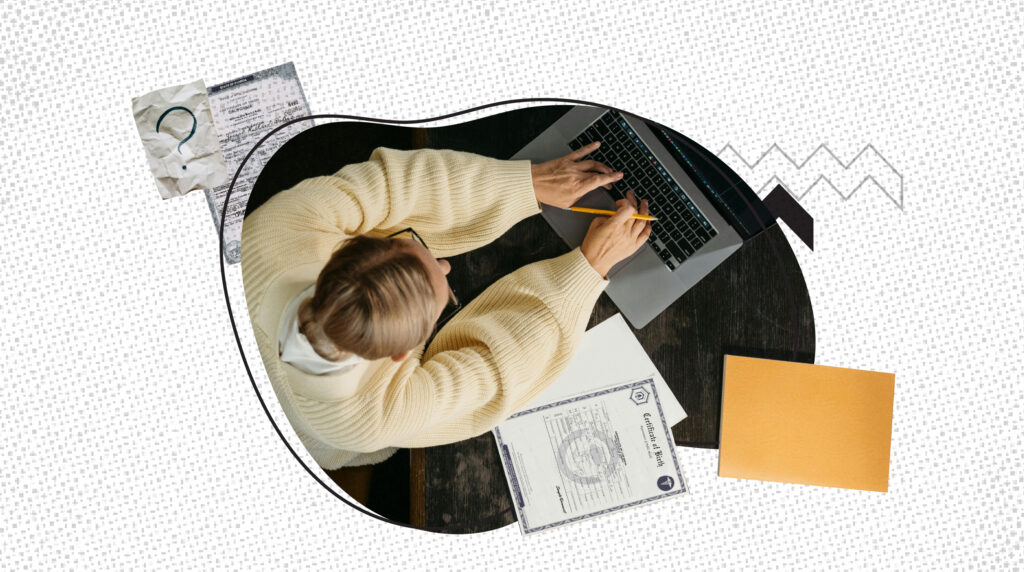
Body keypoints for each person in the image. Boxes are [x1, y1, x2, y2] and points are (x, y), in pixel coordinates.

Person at [241, 141, 651, 469]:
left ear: (348, 250)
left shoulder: (276, 228)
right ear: (404, 354)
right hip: (302, 431)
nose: (446, 263)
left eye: (414, 248)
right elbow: (495, 371)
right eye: (446, 294)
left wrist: (523, 183)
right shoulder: (366, 419)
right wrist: (588, 268)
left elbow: (393, 185)